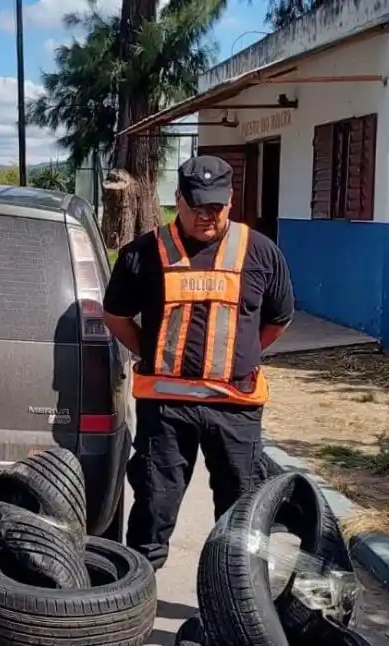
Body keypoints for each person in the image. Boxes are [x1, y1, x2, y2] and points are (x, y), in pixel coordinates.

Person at [102, 155, 295, 571]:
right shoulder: (144, 253)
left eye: (216, 207)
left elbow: (278, 319)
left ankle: (237, 597)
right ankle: (133, 601)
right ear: (178, 201)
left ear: (230, 201)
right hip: (166, 409)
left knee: (240, 509)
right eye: (196, 206)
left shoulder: (260, 252)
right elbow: (116, 316)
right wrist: (150, 354)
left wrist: (240, 357)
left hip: (236, 407)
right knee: (154, 503)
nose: (206, 216)